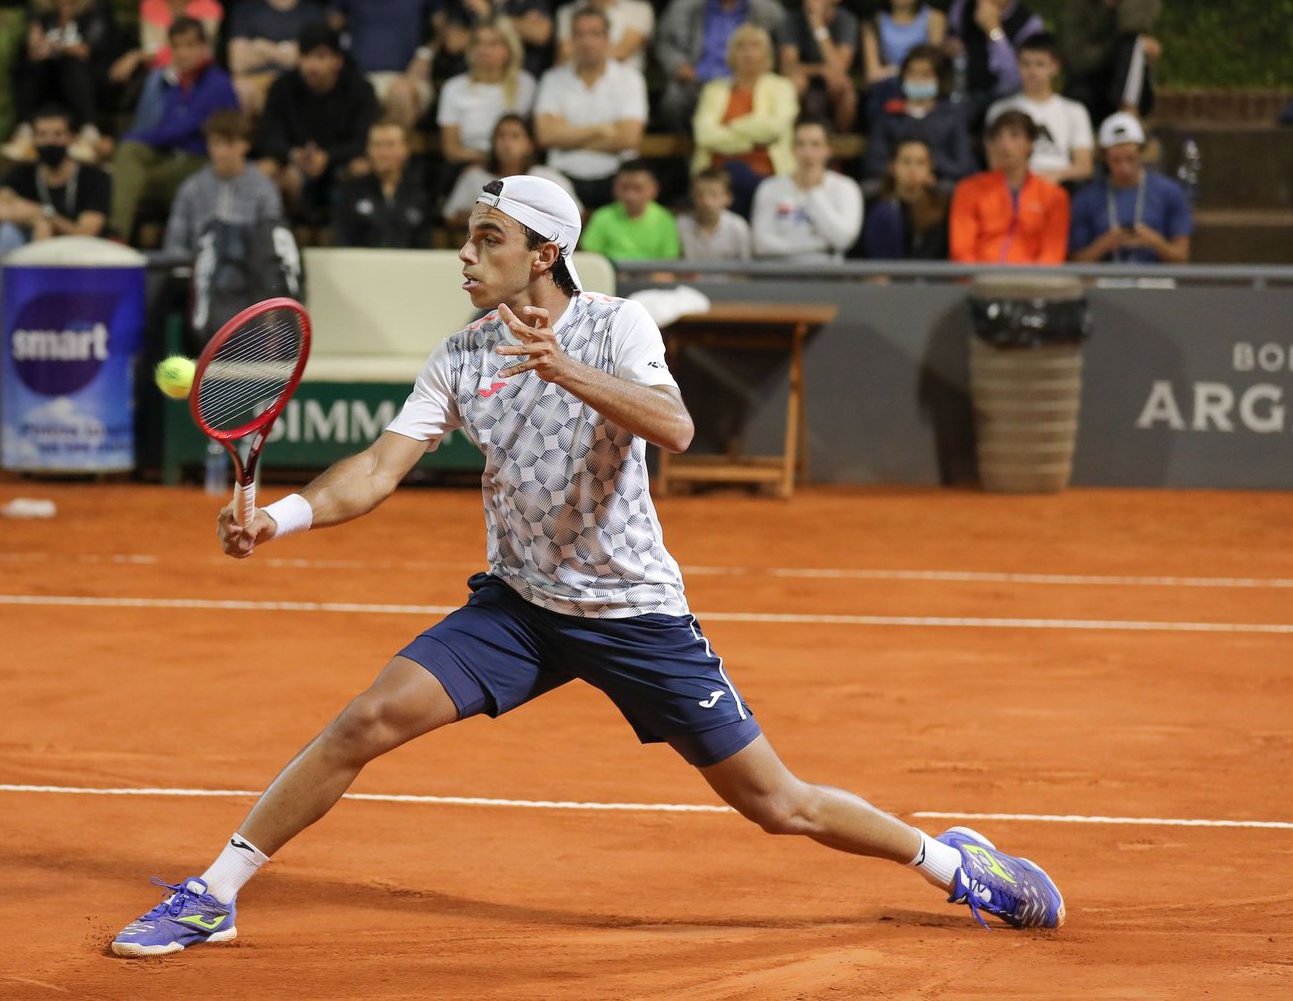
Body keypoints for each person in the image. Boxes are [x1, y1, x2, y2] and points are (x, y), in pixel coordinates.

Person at [107, 171, 1068, 958]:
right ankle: (216, 891)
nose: (465, 255)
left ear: (543, 252)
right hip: (520, 607)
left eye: (487, 239)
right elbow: (374, 471)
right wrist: (274, 521)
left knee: (778, 803)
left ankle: (951, 865)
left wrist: (562, 366)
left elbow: (677, 427)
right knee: (367, 718)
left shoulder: (618, 327)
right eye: (468, 236)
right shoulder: (459, 355)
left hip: (634, 613)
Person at [108, 18, 239, 242]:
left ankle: (116, 236)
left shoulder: (217, 82)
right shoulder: (178, 85)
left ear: (204, 47)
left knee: (127, 175)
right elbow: (166, 128)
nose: (182, 53)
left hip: (203, 162)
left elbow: (181, 129)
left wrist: (130, 136)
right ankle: (116, 234)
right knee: (131, 152)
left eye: (189, 45)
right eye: (176, 46)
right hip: (173, 158)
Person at [655, 0, 786, 129]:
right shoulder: (685, 4)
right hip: (697, 82)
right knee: (673, 100)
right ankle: (686, 157)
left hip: (748, 83)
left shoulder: (769, 10)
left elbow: (781, 49)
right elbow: (665, 43)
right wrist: (678, 65)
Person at [257, 23, 381, 223]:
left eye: (321, 57)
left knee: (363, 168)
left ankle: (357, 231)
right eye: (306, 56)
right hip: (295, 165)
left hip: (341, 165)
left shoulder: (360, 89)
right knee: (263, 170)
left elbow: (364, 140)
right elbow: (269, 138)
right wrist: (294, 155)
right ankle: (276, 232)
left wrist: (328, 157)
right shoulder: (282, 87)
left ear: (337, 61)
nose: (312, 65)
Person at [5, 0, 118, 163]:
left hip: (88, 80)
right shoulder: (41, 11)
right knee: (32, 65)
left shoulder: (98, 8)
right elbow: (31, 45)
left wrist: (55, 46)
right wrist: (36, 45)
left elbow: (88, 49)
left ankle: (88, 130)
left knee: (71, 63)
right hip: (50, 81)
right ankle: (25, 130)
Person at [534, 8, 647, 212]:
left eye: (595, 34)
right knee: (538, 177)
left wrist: (567, 137)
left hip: (616, 174)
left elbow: (629, 139)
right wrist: (600, 130)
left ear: (608, 39)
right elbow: (546, 136)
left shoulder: (630, 79)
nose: (587, 41)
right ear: (571, 39)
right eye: (580, 34)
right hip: (563, 175)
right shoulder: (552, 79)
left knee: (637, 182)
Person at [328, 0, 444, 128]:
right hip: (359, 77)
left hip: (406, 78)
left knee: (401, 93)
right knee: (341, 94)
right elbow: (329, 29)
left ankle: (396, 157)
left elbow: (442, 29)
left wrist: (426, 55)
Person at [690, 24, 797, 218]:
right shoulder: (714, 90)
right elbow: (704, 135)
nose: (748, 53)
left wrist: (730, 127)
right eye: (741, 46)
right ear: (731, 53)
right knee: (731, 175)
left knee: (738, 175)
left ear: (767, 54)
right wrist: (752, 141)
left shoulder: (782, 87)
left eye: (755, 46)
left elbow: (773, 129)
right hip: (716, 179)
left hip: (768, 175)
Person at [1061, 0, 1162, 126]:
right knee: (1131, 42)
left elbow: (1131, 27)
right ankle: (1125, 115)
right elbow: (1079, 58)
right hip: (1089, 82)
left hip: (1127, 83)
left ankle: (1127, 112)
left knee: (1132, 41)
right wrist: (1116, 45)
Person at [949, 109, 1069, 265]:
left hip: (1035, 284)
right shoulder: (968, 190)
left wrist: (1033, 284)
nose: (1005, 145)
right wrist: (981, 280)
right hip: (980, 284)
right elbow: (961, 250)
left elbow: (1052, 254)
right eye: (998, 137)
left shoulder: (1055, 196)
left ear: (1031, 143)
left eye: (1014, 136)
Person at [1069, 112, 1190, 264]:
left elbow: (1181, 258)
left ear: (1142, 153)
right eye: (1116, 160)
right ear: (1105, 158)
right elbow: (1075, 263)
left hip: (1155, 281)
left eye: (1130, 158)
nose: (1124, 167)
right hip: (1104, 281)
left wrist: (1154, 241)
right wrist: (1104, 244)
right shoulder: (1086, 198)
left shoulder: (1169, 192)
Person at [0, 106, 112, 253]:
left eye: (58, 134)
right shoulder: (22, 173)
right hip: (30, 247)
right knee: (8, 230)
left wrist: (47, 216)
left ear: (72, 137)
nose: (50, 141)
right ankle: (11, 276)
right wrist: (38, 220)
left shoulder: (95, 178)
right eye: (42, 134)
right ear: (34, 139)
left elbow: (87, 233)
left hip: (81, 255)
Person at [108, 0, 224, 96]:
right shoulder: (150, 3)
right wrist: (152, 54)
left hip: (198, 73)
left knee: (161, 79)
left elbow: (200, 52)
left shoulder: (210, 7)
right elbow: (151, 48)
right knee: (157, 78)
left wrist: (137, 56)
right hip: (158, 72)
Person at [162, 110, 283, 256]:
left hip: (248, 270)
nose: (222, 151)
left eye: (230, 143)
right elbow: (174, 243)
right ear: (208, 145)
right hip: (200, 269)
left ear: (245, 144)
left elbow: (272, 242)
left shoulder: (264, 188)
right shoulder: (192, 188)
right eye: (217, 143)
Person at [227, 0, 325, 112]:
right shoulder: (245, 11)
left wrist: (262, 47)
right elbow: (238, 62)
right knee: (240, 88)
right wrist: (286, 50)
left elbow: (313, 62)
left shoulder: (313, 12)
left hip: (300, 84)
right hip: (257, 82)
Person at [986, 35, 1094, 188]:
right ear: (1018, 65)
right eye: (1026, 64)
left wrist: (1053, 176)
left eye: (1040, 64)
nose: (1032, 71)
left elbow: (1084, 167)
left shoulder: (1074, 110)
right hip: (1013, 189)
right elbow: (995, 163)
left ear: (1055, 67)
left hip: (1059, 187)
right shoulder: (1000, 110)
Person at [750, 117, 862, 263]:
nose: (807, 153)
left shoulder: (846, 187)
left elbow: (843, 240)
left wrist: (814, 192)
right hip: (780, 276)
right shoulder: (770, 187)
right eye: (800, 144)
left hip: (828, 277)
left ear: (827, 149)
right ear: (792, 149)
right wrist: (818, 246)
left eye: (815, 145)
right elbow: (761, 244)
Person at [944, 0, 1045, 115]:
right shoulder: (962, 5)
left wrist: (993, 31)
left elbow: (1014, 78)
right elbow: (949, 40)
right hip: (965, 94)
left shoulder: (1029, 23)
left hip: (1007, 95)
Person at [862, 44, 974, 188]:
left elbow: (962, 166)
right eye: (912, 73)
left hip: (939, 185)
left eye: (925, 74)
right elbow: (873, 163)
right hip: (894, 186)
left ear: (939, 79)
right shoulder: (888, 115)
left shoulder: (952, 118)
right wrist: (902, 173)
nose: (917, 79)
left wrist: (927, 169)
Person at [441, 113, 578, 229]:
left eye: (515, 136)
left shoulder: (547, 178)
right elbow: (450, 216)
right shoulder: (474, 176)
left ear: (529, 144)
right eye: (501, 136)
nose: (507, 144)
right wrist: (488, 216)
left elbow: (576, 215)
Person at [437, 20, 537, 169]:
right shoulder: (454, 88)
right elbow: (451, 150)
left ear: (510, 49)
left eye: (493, 44)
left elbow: (532, 139)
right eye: (478, 43)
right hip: (469, 166)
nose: (484, 50)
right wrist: (492, 161)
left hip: (517, 168)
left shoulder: (526, 85)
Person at [778, 0, 858, 134]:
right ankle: (794, 137)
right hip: (806, 81)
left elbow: (839, 68)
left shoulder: (846, 20)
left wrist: (817, 25)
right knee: (795, 82)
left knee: (842, 84)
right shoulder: (791, 19)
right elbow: (788, 66)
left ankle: (839, 144)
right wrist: (821, 70)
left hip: (830, 87)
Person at [332, 121, 433, 249]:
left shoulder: (420, 194)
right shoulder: (350, 192)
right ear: (367, 149)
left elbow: (424, 247)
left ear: (406, 149)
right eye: (377, 145)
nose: (383, 153)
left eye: (390, 145)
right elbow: (341, 242)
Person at [859, 137, 950, 261]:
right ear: (891, 166)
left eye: (920, 163)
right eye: (906, 162)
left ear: (930, 167)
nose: (913, 169)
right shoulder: (873, 204)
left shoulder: (942, 205)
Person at [861, 0, 945, 86]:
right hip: (887, 88)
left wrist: (892, 71)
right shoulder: (873, 23)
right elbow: (872, 74)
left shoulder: (935, 19)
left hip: (923, 87)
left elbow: (933, 66)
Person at [578, 160, 680, 260]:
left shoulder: (665, 220)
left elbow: (669, 263)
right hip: (611, 276)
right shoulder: (602, 217)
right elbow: (590, 257)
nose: (630, 195)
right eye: (624, 187)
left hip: (651, 276)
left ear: (654, 189)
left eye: (637, 188)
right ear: (614, 187)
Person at [677, 167, 752, 261]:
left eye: (714, 194)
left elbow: (746, 268)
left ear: (728, 198)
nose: (707, 201)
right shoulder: (681, 224)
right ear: (692, 196)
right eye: (700, 194)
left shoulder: (738, 227)